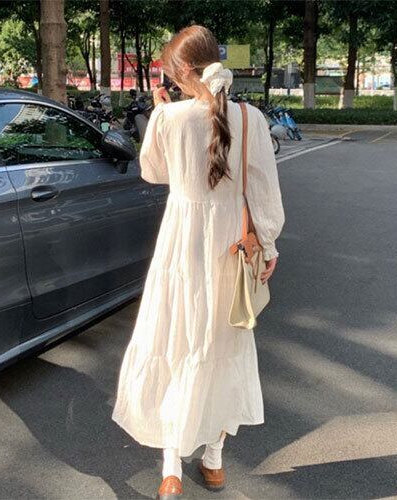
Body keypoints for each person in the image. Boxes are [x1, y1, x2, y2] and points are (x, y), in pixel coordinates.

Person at [112, 25, 285, 499]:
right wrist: (268, 245)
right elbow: (264, 190)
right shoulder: (250, 117)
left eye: (172, 72)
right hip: (230, 245)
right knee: (220, 347)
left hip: (181, 245)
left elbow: (153, 172)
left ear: (185, 70)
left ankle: (171, 468)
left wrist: (159, 113)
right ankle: (214, 459)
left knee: (175, 341)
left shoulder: (170, 118)